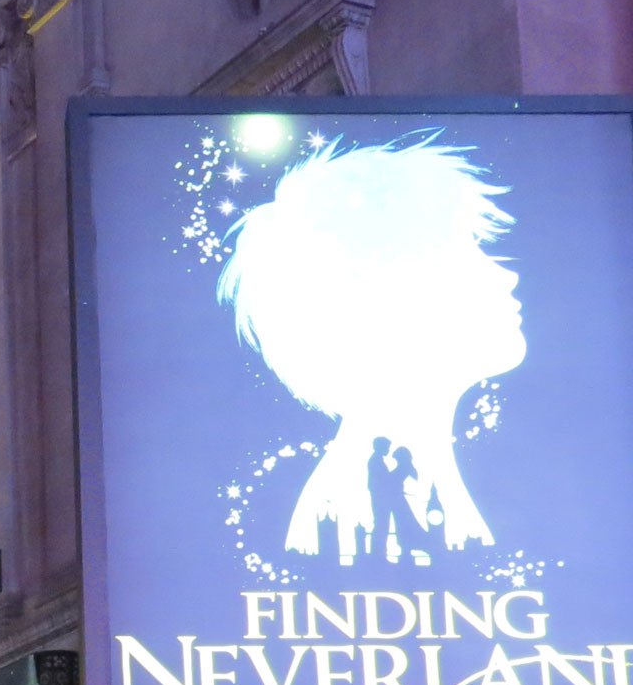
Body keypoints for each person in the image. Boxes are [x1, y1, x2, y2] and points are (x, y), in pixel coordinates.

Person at [217, 134, 526, 564]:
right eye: (471, 252)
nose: (506, 277)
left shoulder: (422, 469)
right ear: (399, 300)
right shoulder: (356, 500)